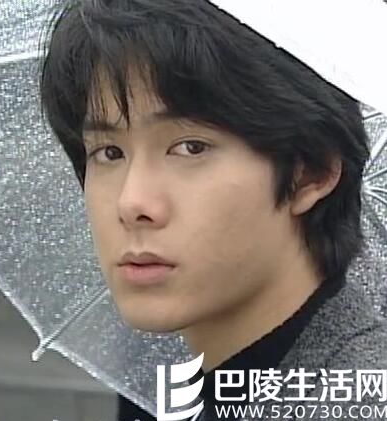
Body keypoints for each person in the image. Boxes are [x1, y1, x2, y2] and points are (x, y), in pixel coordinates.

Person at [39, 0, 387, 419]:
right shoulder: (171, 395)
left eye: (190, 147)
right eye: (109, 152)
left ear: (310, 173)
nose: (132, 203)